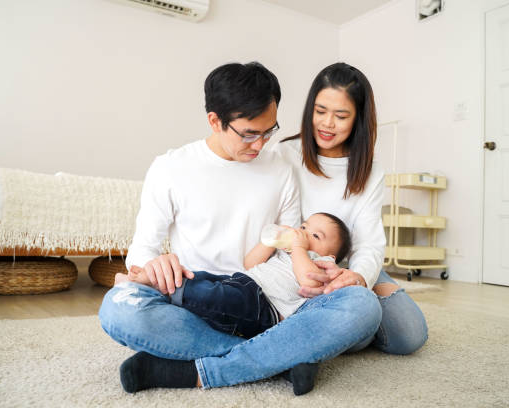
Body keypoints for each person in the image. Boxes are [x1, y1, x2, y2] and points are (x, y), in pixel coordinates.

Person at [98, 62, 382, 396]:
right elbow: (143, 248)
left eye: (269, 131)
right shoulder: (171, 167)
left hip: (272, 305)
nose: (261, 144)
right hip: (194, 302)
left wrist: (314, 266)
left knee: (363, 306)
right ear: (215, 121)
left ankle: (210, 368)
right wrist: (151, 267)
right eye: (249, 134)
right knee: (118, 307)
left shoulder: (280, 167)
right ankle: (285, 357)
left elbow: (288, 246)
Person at [275, 62, 428, 359]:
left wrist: (357, 277)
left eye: (341, 115)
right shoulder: (284, 155)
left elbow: (369, 242)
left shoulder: (370, 172)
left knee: (408, 334)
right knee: (355, 325)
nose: (327, 123)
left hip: (349, 264)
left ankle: (340, 326)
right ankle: (346, 326)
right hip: (298, 264)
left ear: (358, 118)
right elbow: (281, 232)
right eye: (320, 111)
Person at [115, 212, 351, 339]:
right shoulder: (288, 252)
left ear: (332, 255)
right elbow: (250, 263)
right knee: (202, 277)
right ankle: (156, 278)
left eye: (316, 236)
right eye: (303, 226)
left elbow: (308, 279)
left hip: (263, 306)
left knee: (210, 296)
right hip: (243, 282)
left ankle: (157, 286)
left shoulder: (323, 264)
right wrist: (269, 242)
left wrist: (300, 248)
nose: (304, 234)